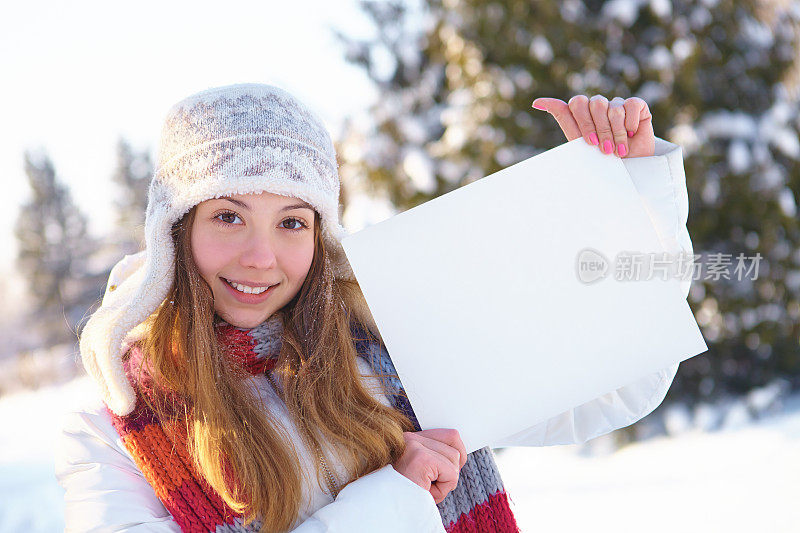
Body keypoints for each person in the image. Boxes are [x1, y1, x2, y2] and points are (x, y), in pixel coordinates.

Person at [55, 84, 693, 532]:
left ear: (321, 234)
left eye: (292, 223)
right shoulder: (113, 422)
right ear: (175, 229)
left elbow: (621, 380)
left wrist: (630, 193)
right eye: (228, 216)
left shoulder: (387, 339)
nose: (260, 257)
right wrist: (395, 502)